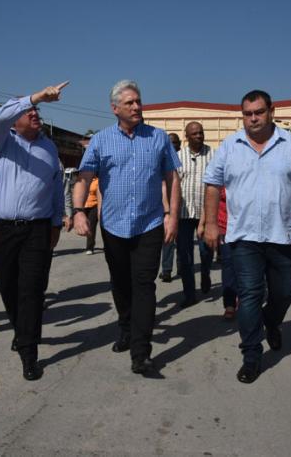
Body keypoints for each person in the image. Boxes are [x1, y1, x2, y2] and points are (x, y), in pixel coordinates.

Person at [203, 90, 291, 384]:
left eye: (259, 112)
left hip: (283, 236)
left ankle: (272, 323)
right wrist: (210, 223)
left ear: (271, 111)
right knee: (249, 296)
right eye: (247, 113)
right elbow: (211, 184)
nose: (253, 118)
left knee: (283, 293)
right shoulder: (230, 147)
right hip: (243, 238)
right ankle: (251, 356)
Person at [73, 80, 181, 375]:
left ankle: (141, 351)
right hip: (114, 227)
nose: (137, 106)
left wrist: (172, 216)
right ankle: (125, 328)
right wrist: (79, 211)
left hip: (150, 224)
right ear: (115, 108)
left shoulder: (158, 138)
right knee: (121, 284)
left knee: (144, 285)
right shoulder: (101, 141)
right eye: (130, 103)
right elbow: (83, 177)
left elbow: (172, 179)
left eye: (138, 101)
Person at [0, 81, 68, 381]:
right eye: (29, 110)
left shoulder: (49, 147)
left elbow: (56, 186)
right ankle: (21, 331)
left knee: (32, 290)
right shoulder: (0, 141)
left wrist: (57, 220)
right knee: (6, 285)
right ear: (16, 118)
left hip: (37, 228)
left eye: (37, 111)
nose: (35, 113)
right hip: (4, 229)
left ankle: (29, 351)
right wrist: (37, 97)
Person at [176, 121, 214, 308]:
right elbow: (172, 184)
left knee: (205, 251)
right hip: (183, 213)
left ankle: (206, 273)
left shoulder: (213, 155)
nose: (199, 136)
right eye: (195, 134)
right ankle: (189, 294)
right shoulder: (177, 156)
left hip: (205, 211)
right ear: (187, 136)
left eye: (201, 132)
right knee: (185, 255)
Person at [159, 133, 182, 282]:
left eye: (174, 143)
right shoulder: (163, 160)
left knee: (182, 242)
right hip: (167, 206)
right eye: (169, 143)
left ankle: (182, 267)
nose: (172, 145)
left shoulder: (184, 159)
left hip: (185, 206)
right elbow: (162, 185)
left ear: (179, 144)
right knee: (168, 240)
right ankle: (166, 270)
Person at [217, 188, 237, 320]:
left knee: (247, 265)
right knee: (228, 264)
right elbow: (215, 192)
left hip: (249, 225)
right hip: (226, 225)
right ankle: (230, 304)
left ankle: (245, 297)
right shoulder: (223, 168)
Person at [82, 176, 101, 254]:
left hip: (94, 205)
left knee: (91, 226)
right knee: (86, 226)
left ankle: (89, 247)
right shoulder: (83, 179)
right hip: (84, 206)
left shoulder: (97, 181)